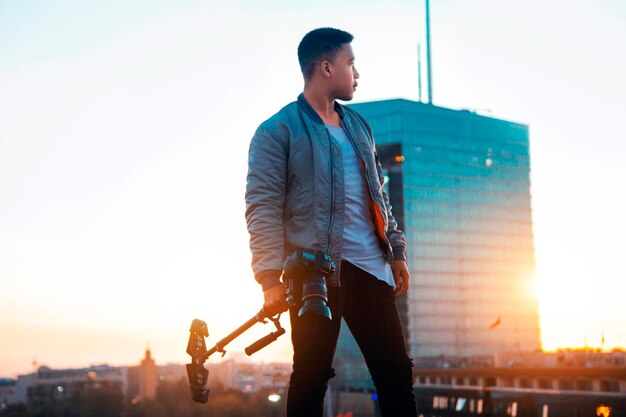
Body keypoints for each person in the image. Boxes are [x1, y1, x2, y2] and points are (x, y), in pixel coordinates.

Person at [245, 27, 417, 417]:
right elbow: (262, 207)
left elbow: (380, 196)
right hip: (313, 273)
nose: (357, 73)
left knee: (396, 375)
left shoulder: (359, 127)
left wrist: (398, 251)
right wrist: (270, 278)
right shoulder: (276, 131)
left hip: (373, 269)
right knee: (311, 376)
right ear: (326, 67)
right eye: (350, 63)